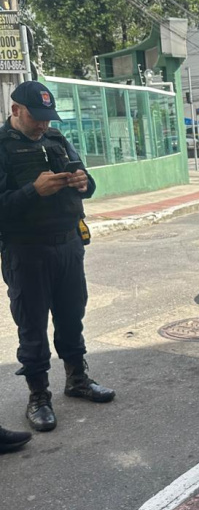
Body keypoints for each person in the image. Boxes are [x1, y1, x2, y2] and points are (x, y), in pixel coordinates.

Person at [0, 81, 115, 433]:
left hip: (68, 244)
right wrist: (33, 191)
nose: (43, 124)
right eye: (36, 117)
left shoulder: (56, 139)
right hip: (26, 250)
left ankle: (77, 379)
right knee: (32, 324)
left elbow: (89, 184)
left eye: (48, 117)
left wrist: (83, 182)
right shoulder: (2, 147)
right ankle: (38, 396)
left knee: (71, 315)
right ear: (15, 110)